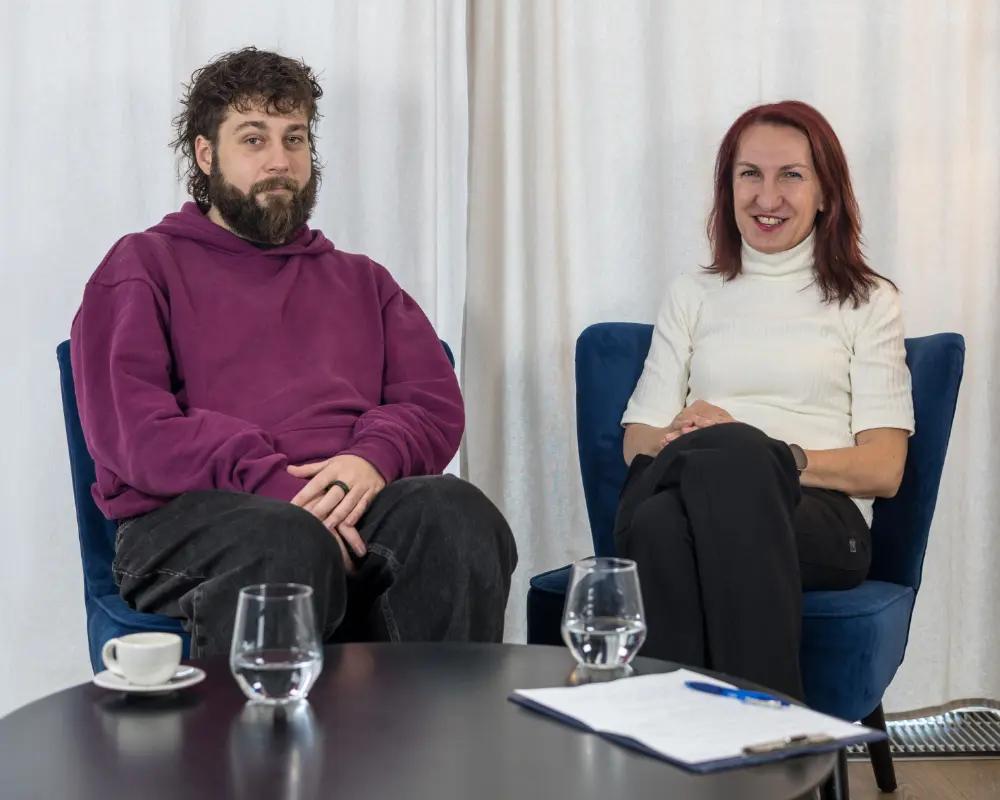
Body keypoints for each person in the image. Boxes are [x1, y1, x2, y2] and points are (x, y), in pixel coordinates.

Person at [71, 48, 516, 658]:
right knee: (285, 540)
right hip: (191, 518)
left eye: (295, 138)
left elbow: (433, 404)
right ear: (206, 154)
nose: (280, 160)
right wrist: (280, 488)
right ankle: (266, 725)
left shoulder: (364, 280)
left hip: (352, 498)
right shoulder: (142, 265)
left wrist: (371, 459)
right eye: (253, 139)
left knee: (457, 513)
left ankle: (433, 719)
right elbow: (133, 430)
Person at [615, 101, 914, 700]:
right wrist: (696, 440)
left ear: (826, 193)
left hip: (822, 519)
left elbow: (884, 469)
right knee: (667, 517)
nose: (766, 196)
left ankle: (677, 738)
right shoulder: (692, 294)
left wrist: (770, 453)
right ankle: (763, 737)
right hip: (693, 491)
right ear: (728, 188)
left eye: (791, 175)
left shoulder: (868, 301)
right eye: (750, 173)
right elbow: (638, 442)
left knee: (682, 500)